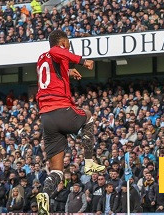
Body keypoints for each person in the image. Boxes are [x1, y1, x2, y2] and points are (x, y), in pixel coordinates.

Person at [35, 29, 105, 215]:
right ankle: (89, 161)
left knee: (56, 171)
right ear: (63, 43)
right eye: (68, 43)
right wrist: (82, 61)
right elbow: (58, 52)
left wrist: (68, 70)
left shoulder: (42, 58)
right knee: (88, 116)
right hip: (61, 109)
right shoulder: (57, 51)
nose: (68, 46)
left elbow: (53, 70)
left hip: (47, 118)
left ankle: (44, 196)